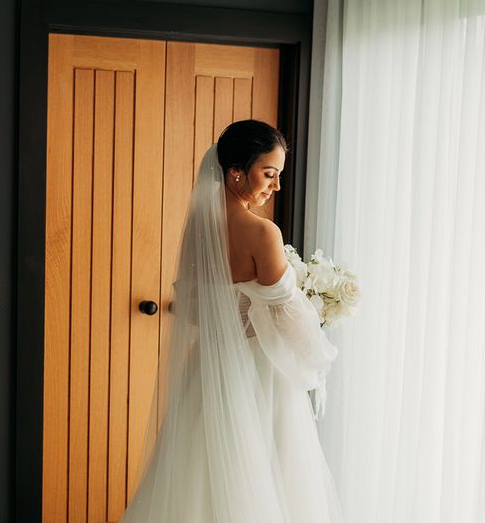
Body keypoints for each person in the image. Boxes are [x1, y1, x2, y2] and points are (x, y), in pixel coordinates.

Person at [121, 120, 342, 522]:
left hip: (209, 367)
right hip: (259, 372)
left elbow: (193, 309)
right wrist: (318, 348)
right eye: (269, 174)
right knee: (269, 478)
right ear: (236, 170)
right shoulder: (262, 232)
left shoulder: (198, 229)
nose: (275, 186)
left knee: (199, 469)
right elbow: (287, 317)